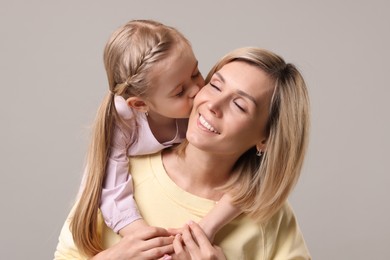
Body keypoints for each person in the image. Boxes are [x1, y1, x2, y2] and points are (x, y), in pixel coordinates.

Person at [55, 46, 311, 259]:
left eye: (239, 105)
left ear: (266, 138)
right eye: (215, 85)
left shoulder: (269, 215)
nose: (213, 105)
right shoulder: (120, 178)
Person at [70, 19, 243, 258]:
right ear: (140, 104)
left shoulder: (201, 108)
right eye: (180, 91)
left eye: (196, 73)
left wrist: (207, 226)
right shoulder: (122, 121)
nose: (196, 90)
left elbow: (254, 172)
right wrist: (143, 239)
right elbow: (111, 190)